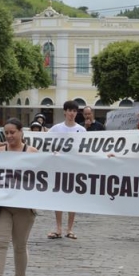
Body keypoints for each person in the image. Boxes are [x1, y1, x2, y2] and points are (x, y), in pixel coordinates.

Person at [0, 118, 38, 276]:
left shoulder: (32, 152)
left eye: (12, 132)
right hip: (1, 206)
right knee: (0, 243)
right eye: (6, 133)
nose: (9, 136)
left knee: (20, 245)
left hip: (24, 207)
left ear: (21, 132)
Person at [47, 100, 86, 239]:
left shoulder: (81, 130)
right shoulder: (56, 128)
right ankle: (58, 227)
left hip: (74, 168)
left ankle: (70, 228)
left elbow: (85, 149)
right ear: (65, 112)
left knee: (72, 198)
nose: (71, 113)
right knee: (58, 197)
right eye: (69, 110)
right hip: (59, 168)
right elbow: (46, 143)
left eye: (74, 111)